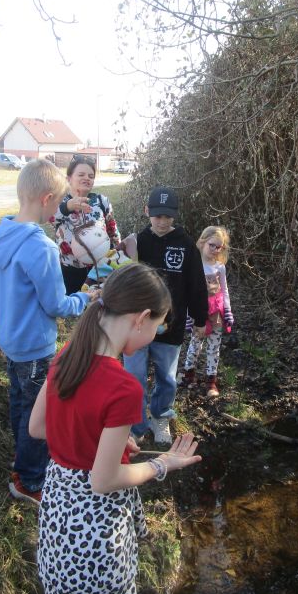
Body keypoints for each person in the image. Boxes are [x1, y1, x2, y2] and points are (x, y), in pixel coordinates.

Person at [29, 263, 201, 594]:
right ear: (141, 318)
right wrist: (163, 463)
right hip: (96, 534)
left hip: (58, 515)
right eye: (157, 326)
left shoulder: (67, 354)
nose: (155, 335)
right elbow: (103, 480)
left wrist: (112, 440)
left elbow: (39, 427)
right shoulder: (124, 388)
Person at [0, 158, 92, 503]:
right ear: (47, 199)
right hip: (33, 346)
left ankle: (21, 459)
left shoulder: (1, 233)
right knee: (38, 412)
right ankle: (30, 480)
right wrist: (84, 298)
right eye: (58, 201)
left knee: (19, 399)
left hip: (9, 339)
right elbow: (56, 305)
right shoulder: (41, 247)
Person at [122, 186, 208, 444]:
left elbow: (196, 284)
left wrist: (200, 318)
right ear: (147, 211)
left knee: (167, 377)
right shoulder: (136, 243)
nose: (162, 221)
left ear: (175, 215)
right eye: (157, 215)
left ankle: (161, 416)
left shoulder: (186, 245)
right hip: (137, 325)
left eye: (167, 216)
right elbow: (122, 279)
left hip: (171, 325)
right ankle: (136, 425)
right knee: (134, 377)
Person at [52, 154, 121, 293]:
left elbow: (112, 230)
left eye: (91, 176)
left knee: (98, 303)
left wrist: (118, 254)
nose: (87, 178)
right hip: (70, 270)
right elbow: (48, 218)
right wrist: (68, 207)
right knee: (73, 304)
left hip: (100, 268)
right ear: (69, 178)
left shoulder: (101, 201)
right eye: (81, 174)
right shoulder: (59, 202)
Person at [182, 226, 234, 398]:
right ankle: (189, 374)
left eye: (219, 247)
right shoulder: (193, 265)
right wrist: (188, 314)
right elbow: (187, 292)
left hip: (216, 313)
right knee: (195, 343)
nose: (215, 250)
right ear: (202, 242)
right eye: (212, 245)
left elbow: (224, 290)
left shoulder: (220, 267)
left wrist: (227, 310)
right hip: (198, 313)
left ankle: (211, 381)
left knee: (214, 347)